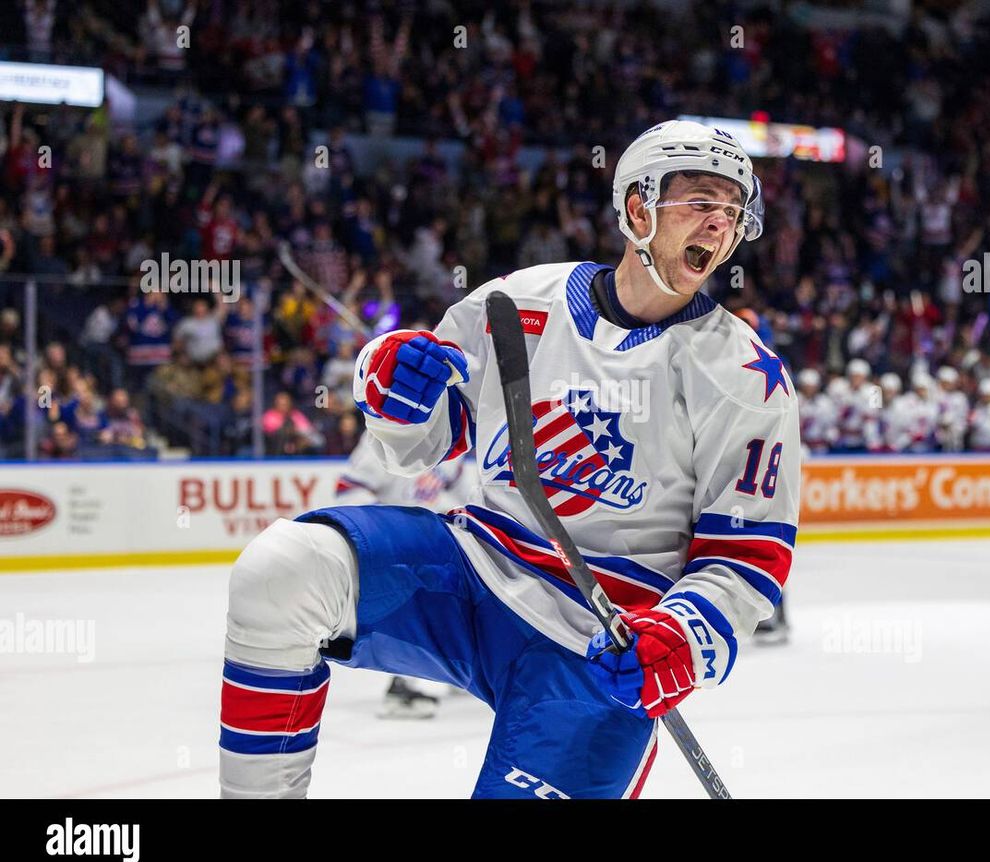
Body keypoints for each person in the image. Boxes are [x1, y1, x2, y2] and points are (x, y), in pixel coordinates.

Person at [218, 120, 799, 799]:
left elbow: (748, 556)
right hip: (476, 577)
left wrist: (685, 636)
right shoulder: (517, 305)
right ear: (638, 209)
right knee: (284, 571)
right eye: (701, 202)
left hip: (601, 647)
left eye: (733, 212)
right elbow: (423, 444)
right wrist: (395, 397)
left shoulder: (746, 375)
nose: (720, 225)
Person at [333, 432, 479, 719]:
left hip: (427, 541)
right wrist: (386, 532)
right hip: (388, 545)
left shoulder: (452, 439)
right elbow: (347, 491)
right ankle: (400, 687)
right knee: (411, 615)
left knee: (461, 597)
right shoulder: (384, 437)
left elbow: (468, 495)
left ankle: (458, 669)